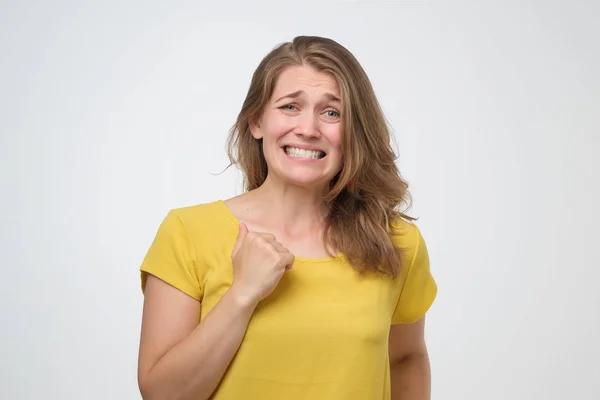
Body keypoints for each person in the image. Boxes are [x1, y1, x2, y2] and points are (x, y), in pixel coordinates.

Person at [136, 35, 437, 400]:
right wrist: (242, 295)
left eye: (331, 112)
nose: (308, 129)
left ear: (354, 132)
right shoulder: (188, 233)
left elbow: (406, 357)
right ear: (256, 122)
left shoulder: (396, 243)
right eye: (290, 107)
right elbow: (162, 395)